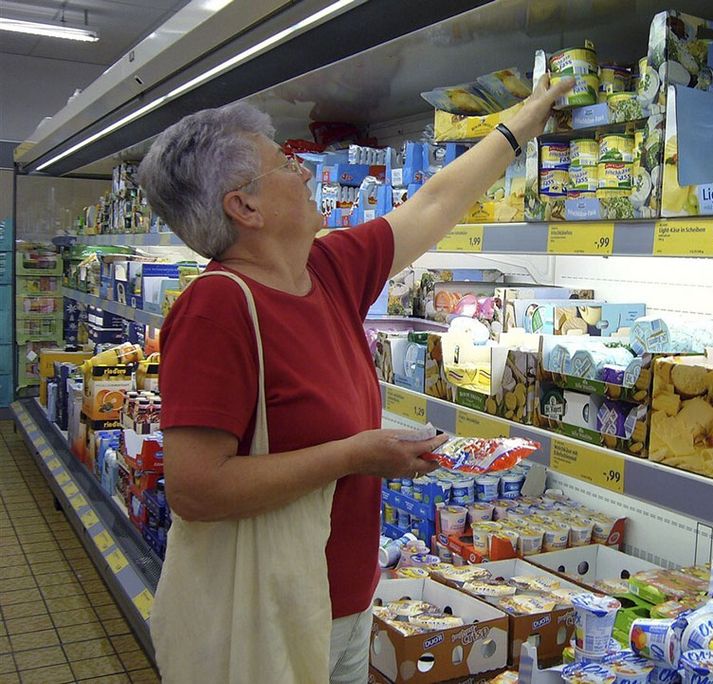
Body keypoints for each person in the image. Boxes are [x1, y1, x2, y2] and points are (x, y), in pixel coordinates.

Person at [136, 73, 573, 683]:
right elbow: (195, 489)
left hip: (349, 599)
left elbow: (436, 202)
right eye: (286, 164)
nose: (307, 173)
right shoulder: (217, 309)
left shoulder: (329, 268)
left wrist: (523, 121)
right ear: (245, 207)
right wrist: (353, 455)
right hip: (269, 611)